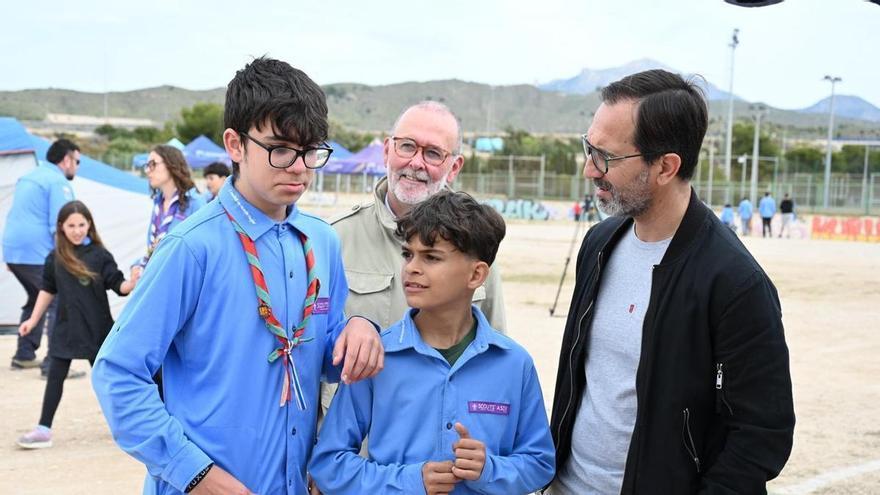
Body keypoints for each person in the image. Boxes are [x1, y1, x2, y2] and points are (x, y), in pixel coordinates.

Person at [91, 57, 384, 495]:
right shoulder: (192, 247)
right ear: (234, 144)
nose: (300, 167)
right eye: (281, 149)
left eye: (311, 151)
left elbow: (322, 354)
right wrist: (194, 474)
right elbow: (118, 373)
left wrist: (359, 329)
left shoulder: (321, 243)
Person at [549, 69, 794, 494]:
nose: (590, 169)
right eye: (589, 148)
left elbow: (761, 434)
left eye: (605, 156)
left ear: (665, 167)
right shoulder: (599, 243)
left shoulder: (735, 283)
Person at [310, 191, 554, 495]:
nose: (412, 267)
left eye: (431, 257)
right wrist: (410, 482)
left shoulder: (515, 365)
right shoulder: (376, 359)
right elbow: (328, 464)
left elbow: (540, 464)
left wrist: (490, 470)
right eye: (408, 254)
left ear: (476, 274)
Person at [324, 101, 507, 413]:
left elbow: (495, 360)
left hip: (438, 449)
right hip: (353, 451)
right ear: (386, 151)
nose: (416, 163)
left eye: (433, 153)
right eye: (407, 146)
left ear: (455, 166)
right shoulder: (334, 240)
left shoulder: (477, 248)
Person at [15, 201, 137, 449]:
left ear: (89, 225)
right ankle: (43, 429)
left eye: (82, 224)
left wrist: (132, 282)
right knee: (55, 378)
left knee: (106, 381)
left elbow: (118, 285)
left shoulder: (100, 255)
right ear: (61, 227)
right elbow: (47, 290)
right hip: (66, 328)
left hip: (98, 329)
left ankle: (125, 426)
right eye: (71, 225)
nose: (77, 230)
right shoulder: (55, 258)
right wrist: (33, 320)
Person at [3, 139, 79, 373]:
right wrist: (71, 260)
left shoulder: (30, 176)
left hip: (13, 251)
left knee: (36, 297)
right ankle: (53, 365)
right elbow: (62, 224)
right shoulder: (57, 182)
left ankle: (24, 354)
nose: (77, 166)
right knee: (57, 299)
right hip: (36, 252)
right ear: (66, 160)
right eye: (77, 161)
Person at [132, 144, 207, 275]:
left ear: (171, 164)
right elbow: (155, 249)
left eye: (152, 164)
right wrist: (138, 265)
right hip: (157, 276)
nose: (147, 170)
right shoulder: (158, 204)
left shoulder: (195, 202)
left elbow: (204, 250)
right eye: (147, 165)